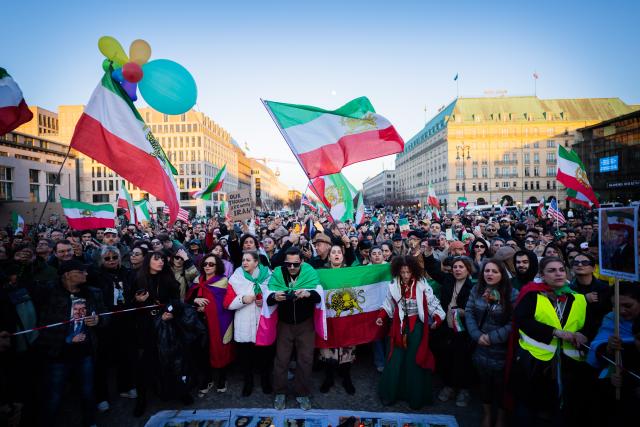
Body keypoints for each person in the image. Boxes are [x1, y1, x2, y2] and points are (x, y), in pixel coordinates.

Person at [510, 256, 588, 426]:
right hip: (536, 361)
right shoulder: (532, 295)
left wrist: (583, 334)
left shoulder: (580, 298)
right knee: (530, 408)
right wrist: (554, 332)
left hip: (570, 362)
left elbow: (586, 324)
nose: (558, 274)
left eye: (561, 270)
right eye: (551, 270)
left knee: (563, 409)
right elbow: (523, 320)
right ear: (542, 275)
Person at [36, 260, 104, 427]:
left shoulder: (92, 293)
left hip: (84, 351)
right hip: (58, 354)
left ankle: (89, 421)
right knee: (54, 395)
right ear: (67, 274)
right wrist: (66, 338)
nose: (86, 274)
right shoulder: (48, 293)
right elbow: (41, 325)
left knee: (87, 391)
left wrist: (98, 320)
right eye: (81, 271)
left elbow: (105, 314)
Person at [376, 256, 445, 409]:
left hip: (417, 327)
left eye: (408, 272)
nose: (406, 275)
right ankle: (391, 394)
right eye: (403, 272)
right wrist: (381, 317)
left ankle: (415, 396)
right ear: (398, 271)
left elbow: (432, 301)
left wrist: (438, 317)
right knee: (395, 358)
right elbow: (388, 304)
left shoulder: (421, 284)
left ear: (413, 270)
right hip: (398, 326)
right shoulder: (393, 285)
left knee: (415, 359)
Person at [465, 260, 518, 427]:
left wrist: (493, 337)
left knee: (502, 385)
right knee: (485, 383)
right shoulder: (476, 290)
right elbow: (469, 312)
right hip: (480, 347)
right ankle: (487, 415)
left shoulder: (512, 294)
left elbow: (514, 322)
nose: (490, 274)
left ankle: (501, 418)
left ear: (502, 274)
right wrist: (476, 335)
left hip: (501, 349)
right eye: (487, 271)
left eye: (494, 271)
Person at [267, 248, 321, 411]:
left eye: (295, 264)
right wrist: (274, 297)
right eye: (288, 264)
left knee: (305, 360)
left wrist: (307, 294)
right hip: (284, 324)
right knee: (281, 360)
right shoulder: (277, 273)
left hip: (305, 324)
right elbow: (268, 298)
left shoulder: (310, 272)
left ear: (302, 262)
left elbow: (319, 297)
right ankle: (280, 392)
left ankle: (302, 393)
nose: (291, 267)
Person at [131, 251, 183, 417]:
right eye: (156, 259)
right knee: (145, 365)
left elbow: (176, 301)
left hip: (168, 326)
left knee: (173, 360)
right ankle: (142, 400)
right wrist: (137, 301)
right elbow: (129, 304)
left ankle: (181, 392)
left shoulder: (169, 278)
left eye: (162, 259)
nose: (160, 262)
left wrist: (170, 312)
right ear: (148, 261)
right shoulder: (137, 279)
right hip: (146, 328)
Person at [423, 249, 476, 407]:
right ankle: (449, 386)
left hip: (463, 330)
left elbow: (477, 309)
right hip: (446, 327)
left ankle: (463, 390)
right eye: (455, 267)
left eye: (461, 267)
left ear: (468, 270)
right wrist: (428, 254)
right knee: (446, 356)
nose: (457, 270)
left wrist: (464, 312)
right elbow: (432, 269)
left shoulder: (473, 287)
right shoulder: (447, 280)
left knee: (462, 359)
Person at [587, 281, 640, 425]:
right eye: (616, 306)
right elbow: (596, 348)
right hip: (621, 391)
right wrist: (608, 348)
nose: (621, 311)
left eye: (628, 306)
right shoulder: (611, 318)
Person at [92, 245, 136, 412]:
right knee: (102, 360)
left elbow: (132, 290)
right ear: (101, 260)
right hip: (105, 323)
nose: (111, 261)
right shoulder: (96, 275)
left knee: (126, 355)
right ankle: (101, 396)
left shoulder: (127, 273)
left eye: (114, 257)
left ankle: (125, 387)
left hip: (125, 321)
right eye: (107, 258)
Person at [223, 251, 273, 396]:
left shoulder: (269, 276)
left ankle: (265, 381)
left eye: (248, 260)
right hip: (243, 325)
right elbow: (227, 303)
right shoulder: (236, 278)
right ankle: (248, 382)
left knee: (265, 356)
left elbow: (275, 299)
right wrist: (242, 300)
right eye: (243, 260)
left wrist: (264, 301)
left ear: (256, 262)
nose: (244, 262)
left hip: (263, 324)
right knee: (246, 358)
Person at [186, 254, 234, 396]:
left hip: (219, 321)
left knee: (220, 349)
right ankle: (207, 379)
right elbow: (188, 300)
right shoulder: (197, 280)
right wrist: (195, 302)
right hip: (199, 323)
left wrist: (208, 308)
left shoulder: (224, 281)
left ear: (217, 266)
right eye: (205, 264)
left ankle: (222, 378)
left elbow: (226, 302)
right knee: (202, 351)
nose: (207, 266)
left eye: (211, 264)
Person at [318, 244, 357, 394]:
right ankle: (328, 378)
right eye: (333, 252)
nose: (336, 255)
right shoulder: (322, 273)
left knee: (347, 349)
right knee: (327, 349)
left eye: (339, 252)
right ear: (329, 256)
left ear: (342, 256)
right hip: (328, 317)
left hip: (346, 316)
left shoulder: (350, 273)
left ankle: (347, 378)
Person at [569, 252, 611, 339]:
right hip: (573, 335)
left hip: (599, 336)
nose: (580, 265)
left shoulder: (604, 288)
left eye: (585, 263)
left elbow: (605, 317)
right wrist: (584, 299)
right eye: (576, 263)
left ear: (593, 268)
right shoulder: (568, 289)